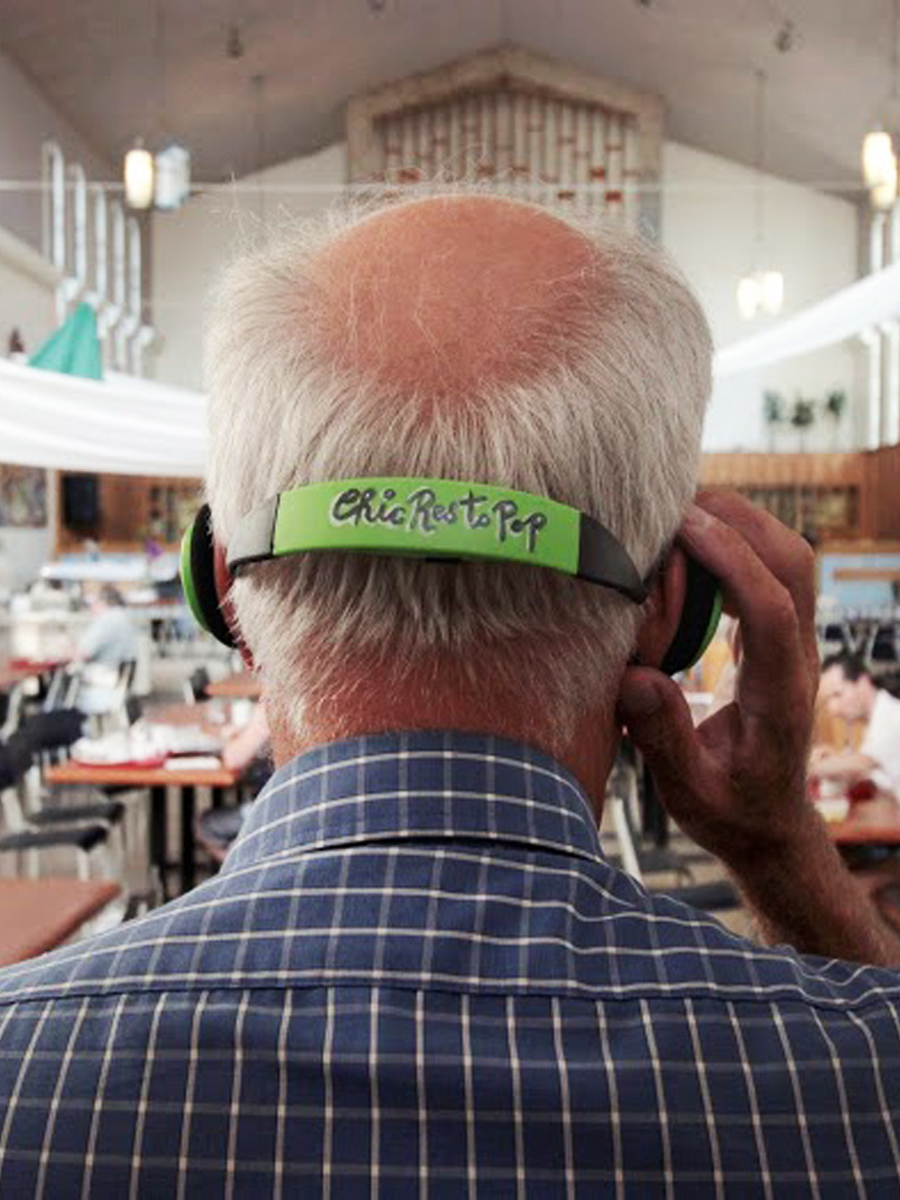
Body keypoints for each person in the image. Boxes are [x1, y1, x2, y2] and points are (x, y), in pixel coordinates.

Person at [0, 194, 899, 1197]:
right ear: (672, 610)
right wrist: (779, 850)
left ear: (222, 583)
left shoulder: (20, 1074)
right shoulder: (861, 1082)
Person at [812, 650, 900, 799]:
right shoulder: (874, 721)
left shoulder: (891, 715)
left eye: (837, 694)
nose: (833, 709)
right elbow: (873, 771)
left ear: (863, 682)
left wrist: (799, 769)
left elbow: (860, 765)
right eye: (827, 700)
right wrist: (835, 758)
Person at [71, 583, 139, 715]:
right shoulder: (125, 616)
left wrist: (68, 649)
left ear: (102, 602)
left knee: (65, 677)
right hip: (118, 679)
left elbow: (83, 653)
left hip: (103, 679)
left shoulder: (106, 620)